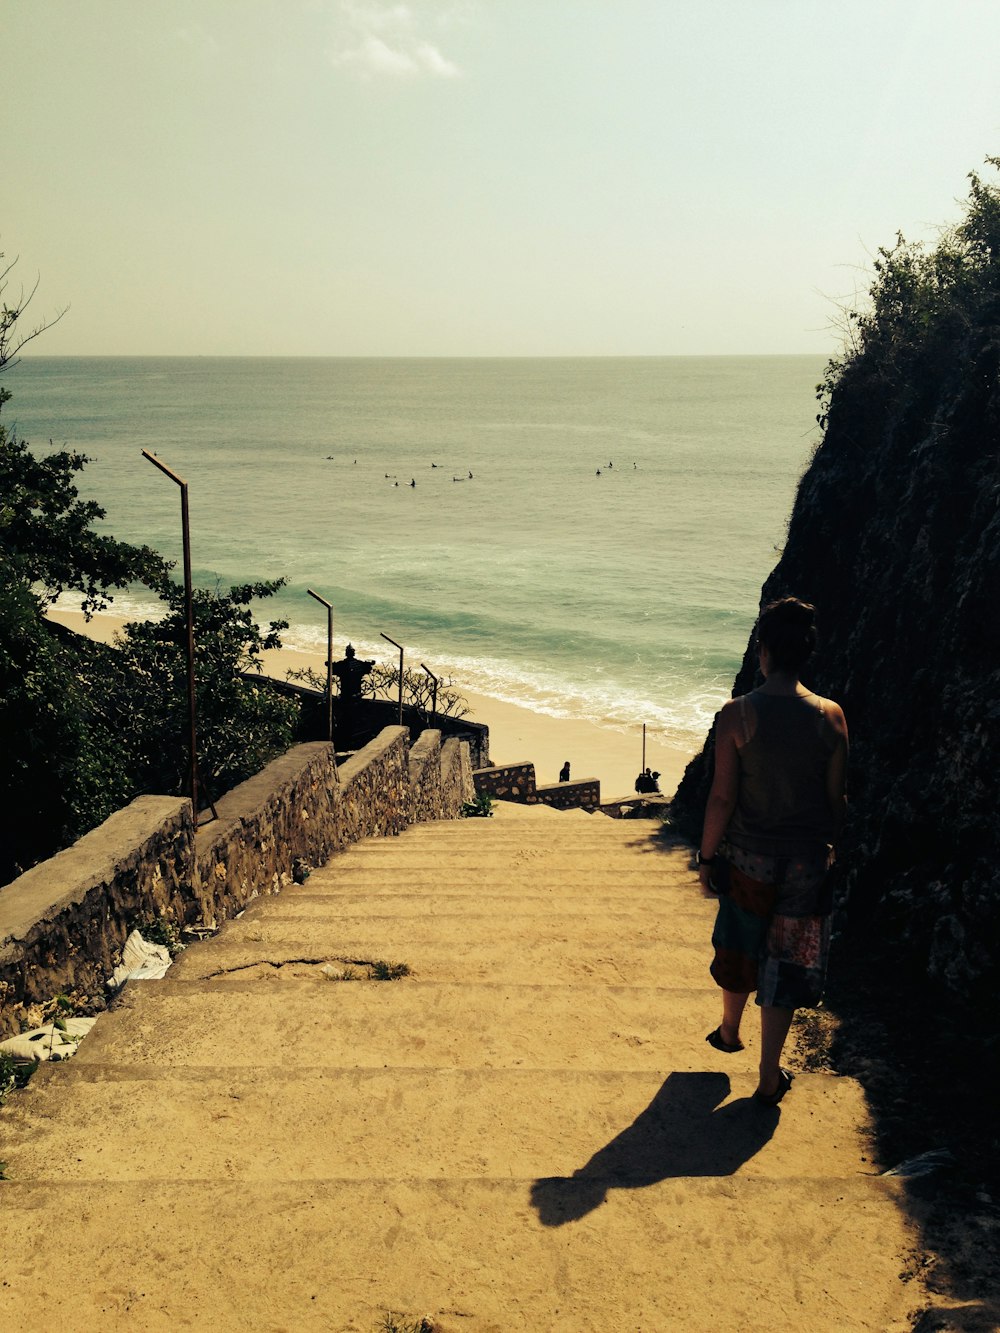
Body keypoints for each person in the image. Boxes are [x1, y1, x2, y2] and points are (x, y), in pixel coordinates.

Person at [697, 597, 848, 1106]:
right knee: (785, 964)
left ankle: (730, 1031)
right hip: (807, 861)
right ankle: (767, 1076)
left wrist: (706, 857)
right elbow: (835, 801)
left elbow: (722, 796)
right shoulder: (831, 717)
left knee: (741, 944)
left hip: (748, 860)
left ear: (762, 652)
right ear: (805, 654)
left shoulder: (737, 715)